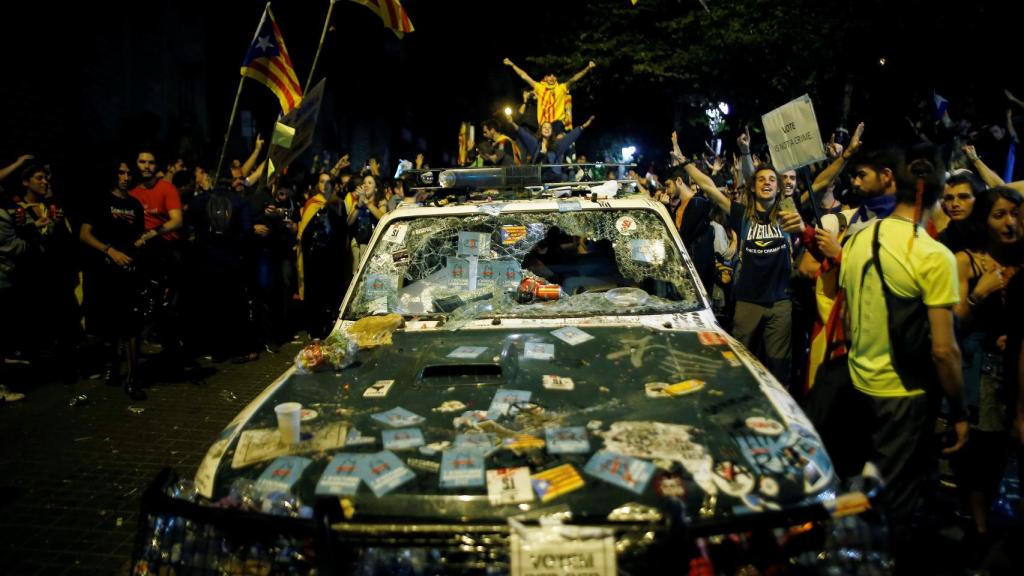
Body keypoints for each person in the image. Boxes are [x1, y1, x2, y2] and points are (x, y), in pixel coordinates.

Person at [838, 146, 968, 572]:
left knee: (859, 489)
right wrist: (960, 410)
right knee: (895, 504)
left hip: (858, 385)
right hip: (905, 395)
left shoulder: (857, 239)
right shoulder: (933, 255)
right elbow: (943, 350)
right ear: (936, 192)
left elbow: (852, 320)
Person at [682, 151, 805, 385]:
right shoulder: (742, 216)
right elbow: (710, 188)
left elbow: (821, 184)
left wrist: (845, 156)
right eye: (761, 179)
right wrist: (686, 163)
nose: (767, 182)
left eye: (772, 179)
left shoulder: (787, 215)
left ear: (779, 188)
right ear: (752, 187)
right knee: (742, 363)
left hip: (780, 304)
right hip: (747, 303)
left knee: (779, 366)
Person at [950, 186, 1021, 555]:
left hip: (1018, 372)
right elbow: (952, 323)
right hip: (983, 373)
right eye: (999, 215)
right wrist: (980, 293)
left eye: (1014, 214)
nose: (1009, 222)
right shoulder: (967, 261)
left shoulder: (1022, 262)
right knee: (982, 455)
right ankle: (977, 530)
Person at [79, 162, 147, 400]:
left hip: (130, 269)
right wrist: (109, 251)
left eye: (129, 173)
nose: (126, 177)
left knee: (132, 324)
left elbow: (138, 233)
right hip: (107, 271)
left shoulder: (135, 205)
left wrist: (141, 241)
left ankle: (133, 378)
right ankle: (114, 367)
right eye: (121, 172)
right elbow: (85, 234)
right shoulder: (100, 201)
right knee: (114, 325)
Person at [130, 149, 185, 375]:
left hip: (166, 250)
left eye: (151, 162)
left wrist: (152, 234)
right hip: (142, 253)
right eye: (142, 161)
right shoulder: (132, 192)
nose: (146, 166)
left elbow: (176, 220)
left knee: (170, 304)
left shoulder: (166, 188)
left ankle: (172, 347)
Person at [503, 58, 596, 129]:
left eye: (553, 75)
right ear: (545, 78)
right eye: (549, 75)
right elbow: (524, 76)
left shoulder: (562, 88)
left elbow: (574, 79)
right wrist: (512, 65)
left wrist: (588, 68)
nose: (551, 77)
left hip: (557, 126)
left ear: (556, 78)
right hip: (544, 127)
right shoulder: (539, 87)